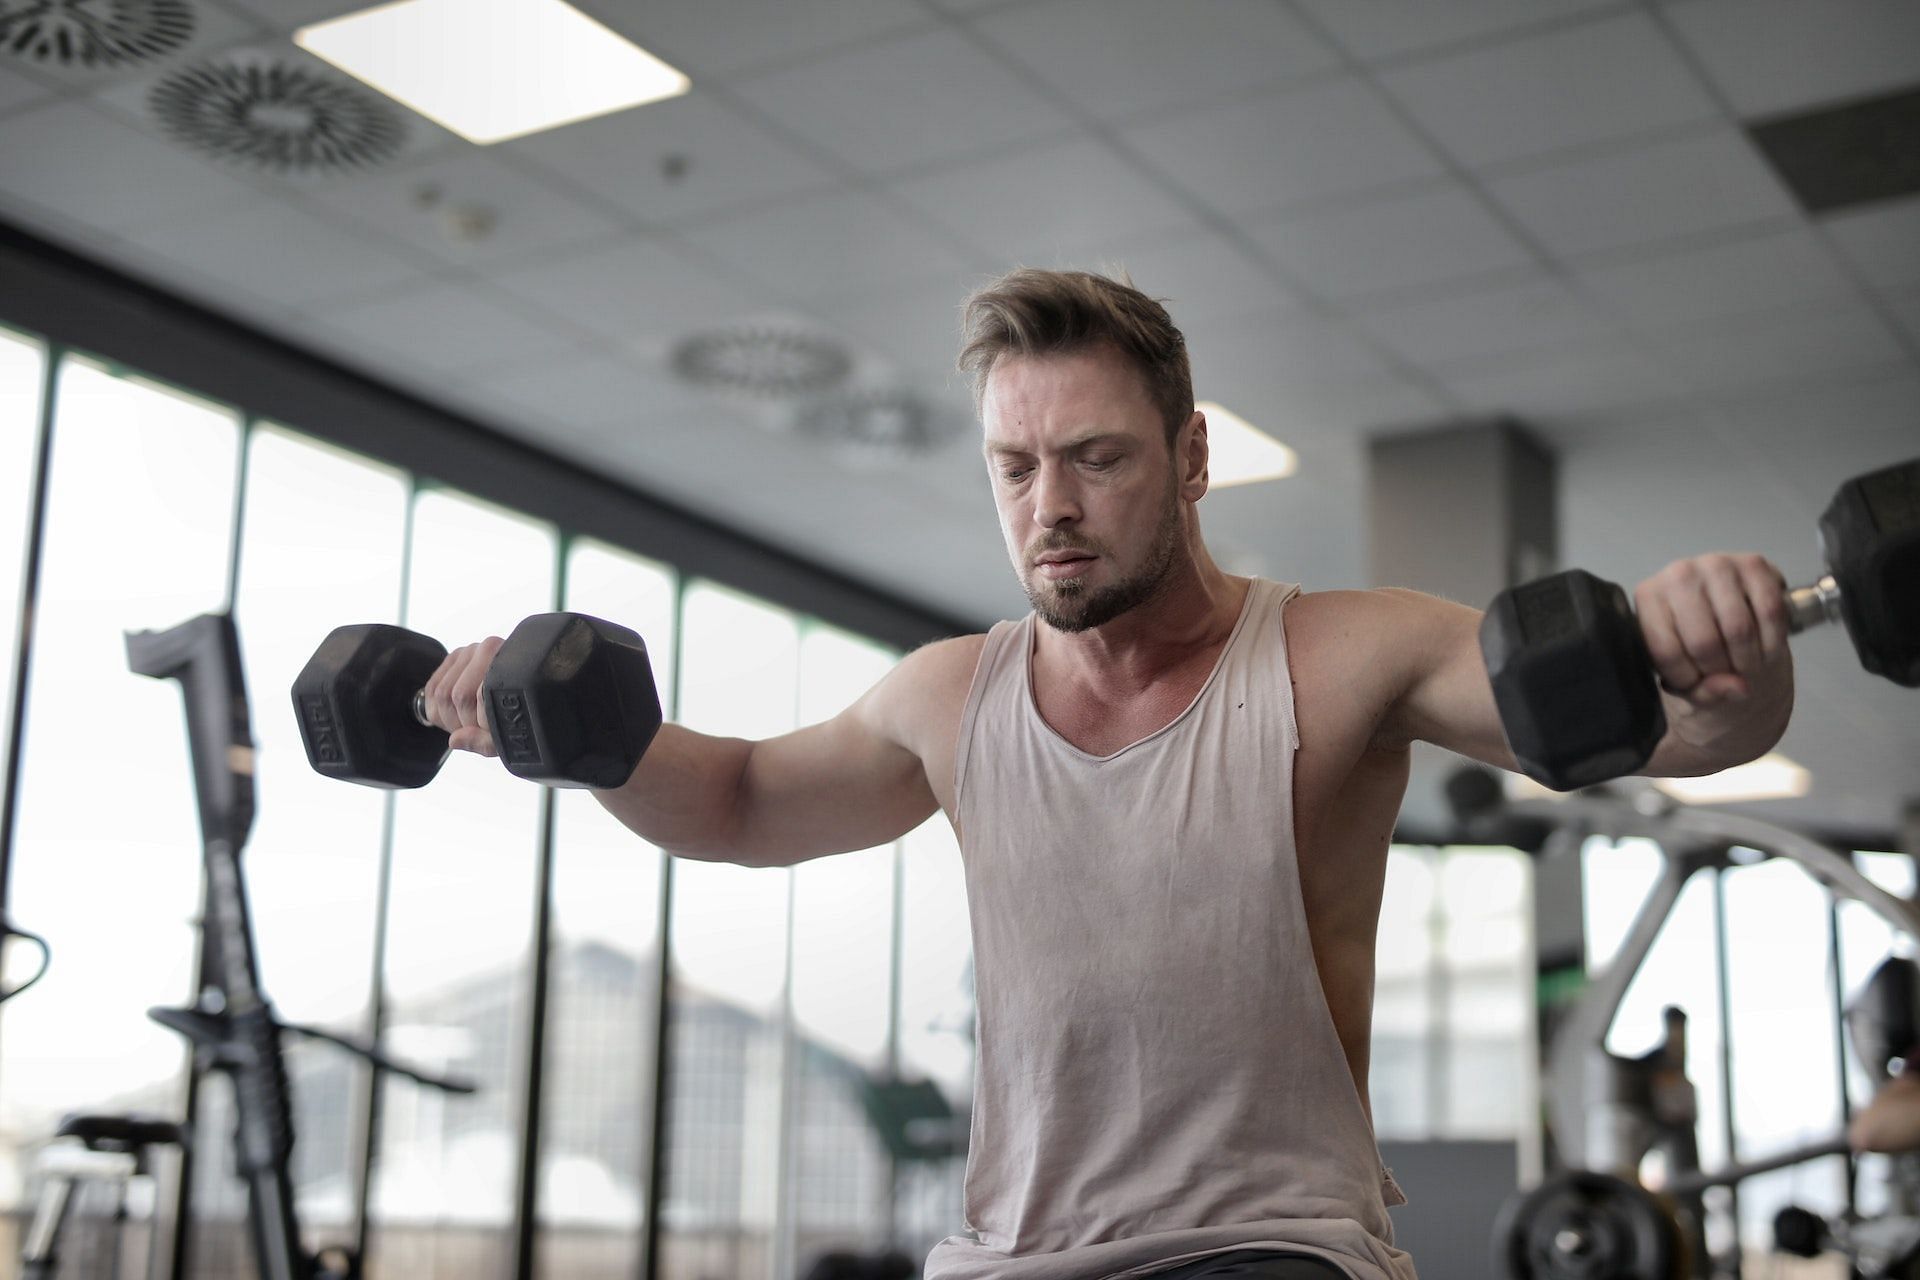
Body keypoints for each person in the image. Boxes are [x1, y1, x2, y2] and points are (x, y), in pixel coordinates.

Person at [420, 270, 1797, 1280]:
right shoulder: (949, 695)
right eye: (1015, 469)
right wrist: (581, 741)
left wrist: (1736, 680)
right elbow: (730, 804)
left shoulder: (1344, 653)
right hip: (1013, 1255)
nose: (1051, 509)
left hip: (1270, 1248)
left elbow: (1667, 737)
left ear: (1191, 462)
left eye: (1096, 460)